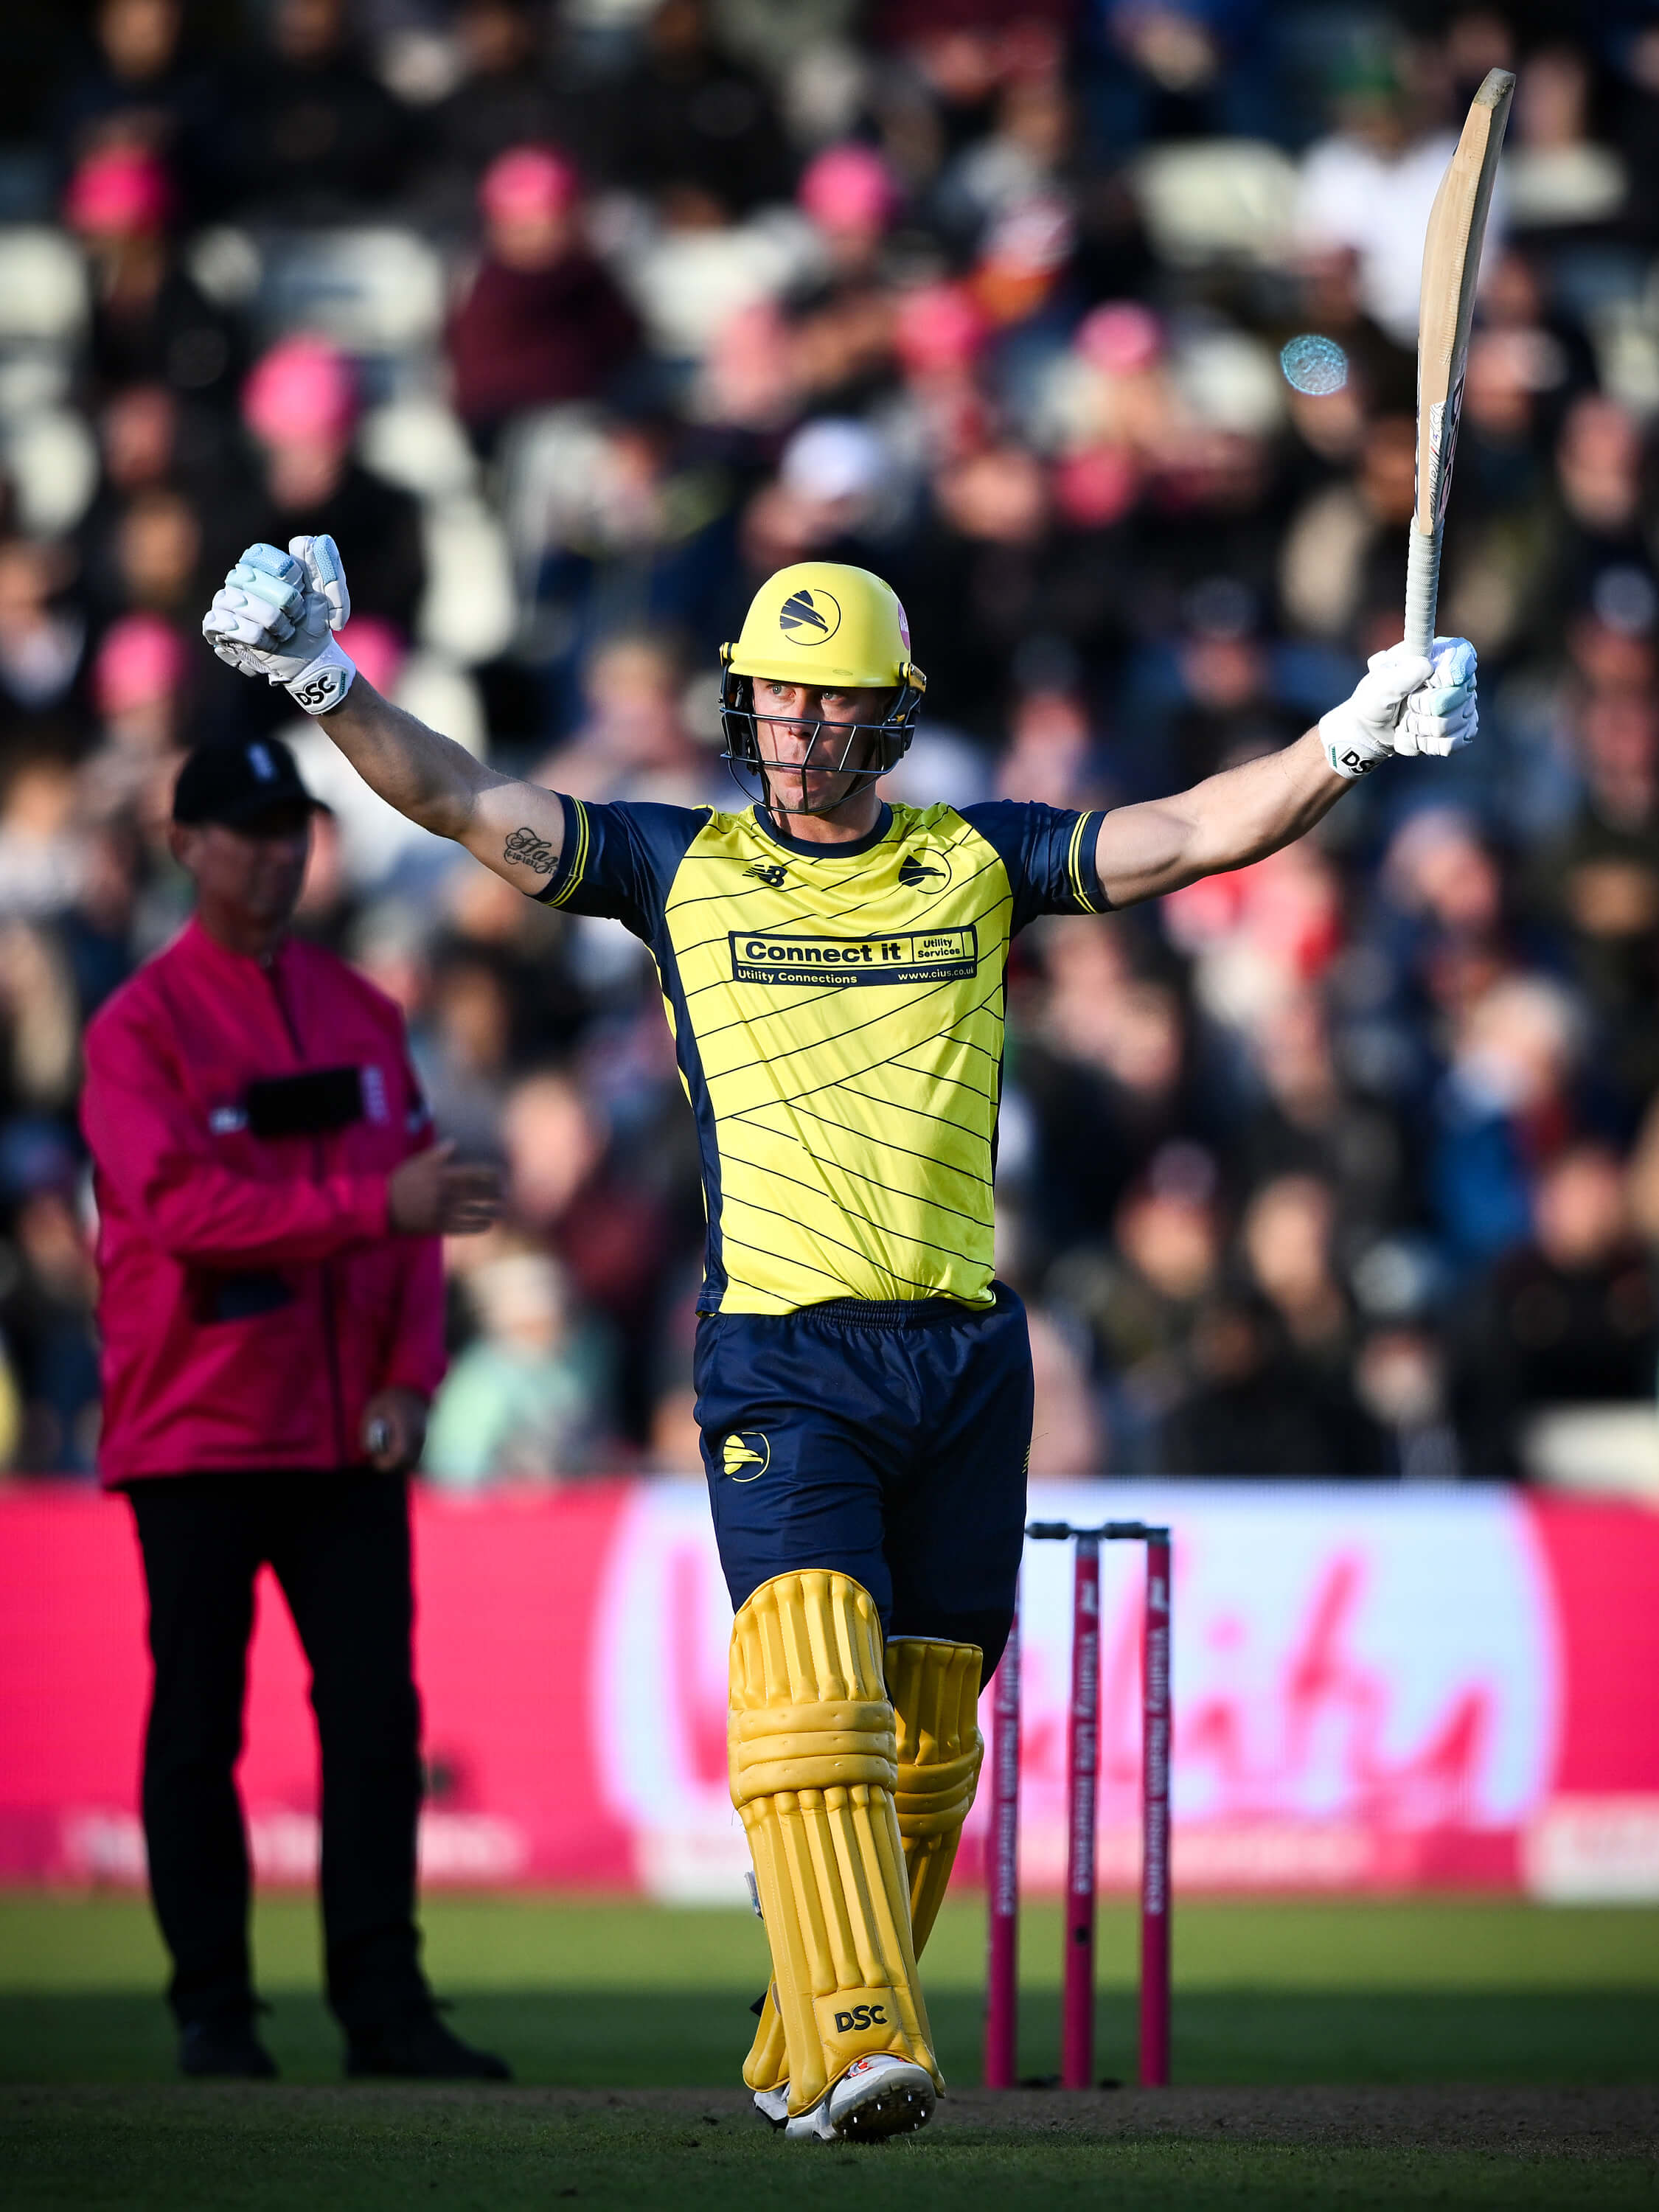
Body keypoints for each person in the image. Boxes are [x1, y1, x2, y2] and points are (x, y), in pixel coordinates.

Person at [202, 536, 1478, 2138]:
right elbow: (463, 799)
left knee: (933, 1749)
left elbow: (1201, 832)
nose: (801, 731)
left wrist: (1348, 740)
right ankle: (872, 2032)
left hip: (961, 1355)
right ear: (743, 711)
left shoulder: (975, 859)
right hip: (782, 1350)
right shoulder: (680, 867)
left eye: (834, 705)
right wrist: (325, 681)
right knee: (813, 1692)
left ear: (890, 719)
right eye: (778, 702)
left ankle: (794, 2055)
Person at [80, 734, 507, 2083]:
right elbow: (177, 1211)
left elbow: (418, 1222)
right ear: (185, 848)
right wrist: (370, 1209)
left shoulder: (361, 1012)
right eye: (252, 831)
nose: (280, 855)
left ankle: (384, 2009)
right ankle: (216, 2010)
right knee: (202, 1722)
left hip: (342, 1430)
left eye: (294, 831)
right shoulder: (138, 1029)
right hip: (201, 1425)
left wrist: (408, 1379)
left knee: (377, 1722)